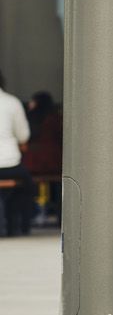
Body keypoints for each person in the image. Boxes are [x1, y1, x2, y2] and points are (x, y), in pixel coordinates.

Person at [0, 70, 33, 236]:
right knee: (27, 185)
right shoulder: (12, 102)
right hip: (8, 163)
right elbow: (23, 135)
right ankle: (22, 226)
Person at [22, 92, 62, 224]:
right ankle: (58, 216)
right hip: (55, 162)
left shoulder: (30, 118)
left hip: (33, 163)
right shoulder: (55, 118)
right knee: (58, 186)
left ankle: (32, 214)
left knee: (26, 184)